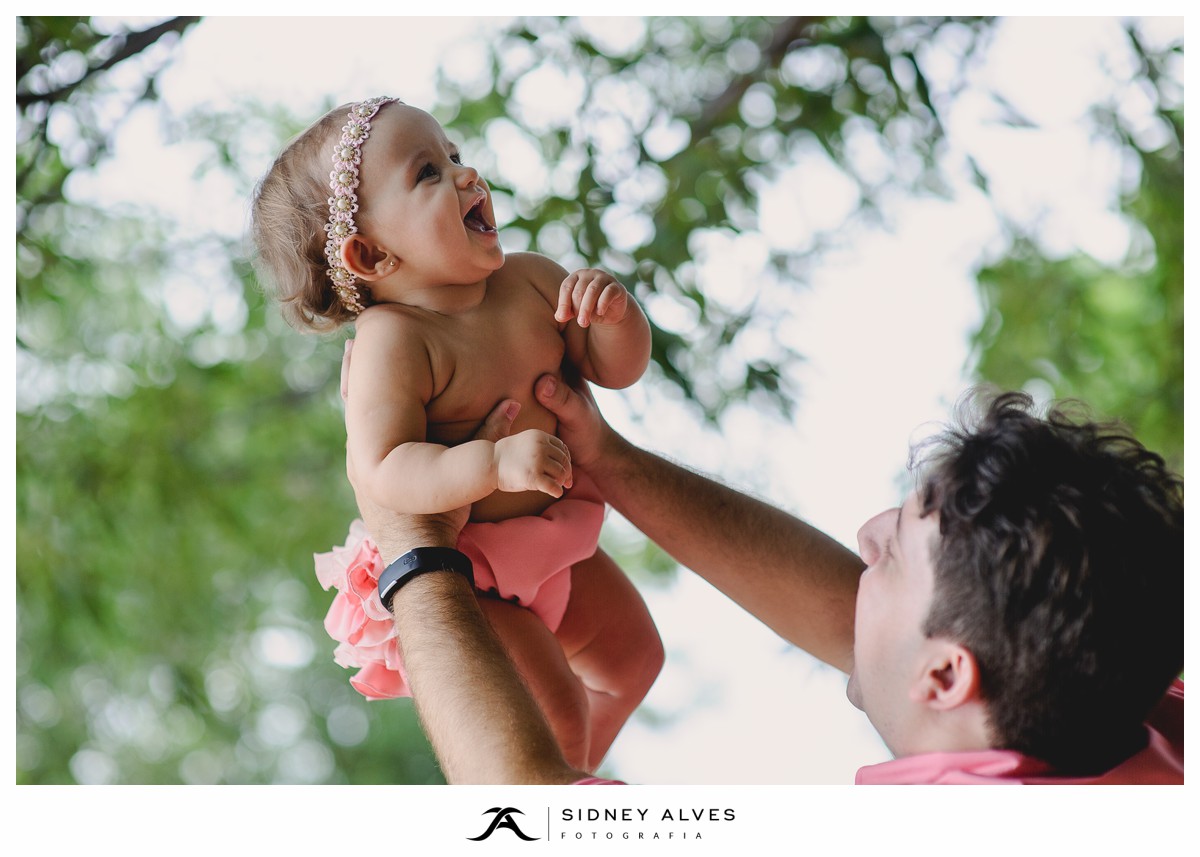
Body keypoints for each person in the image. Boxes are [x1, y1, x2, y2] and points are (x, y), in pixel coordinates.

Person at [348, 370, 1183, 784]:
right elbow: (863, 621)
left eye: (890, 551)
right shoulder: (1134, 708)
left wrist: (413, 553)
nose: (864, 535)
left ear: (946, 674)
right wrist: (611, 460)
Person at [250, 97, 663, 773]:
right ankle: (559, 805)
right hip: (471, 578)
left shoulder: (529, 281)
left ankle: (577, 781)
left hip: (554, 541)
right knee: (554, 709)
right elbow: (384, 469)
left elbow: (614, 370)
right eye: (429, 173)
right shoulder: (395, 340)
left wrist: (615, 315)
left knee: (636, 657)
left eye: (456, 155)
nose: (467, 176)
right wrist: (492, 462)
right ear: (372, 253)